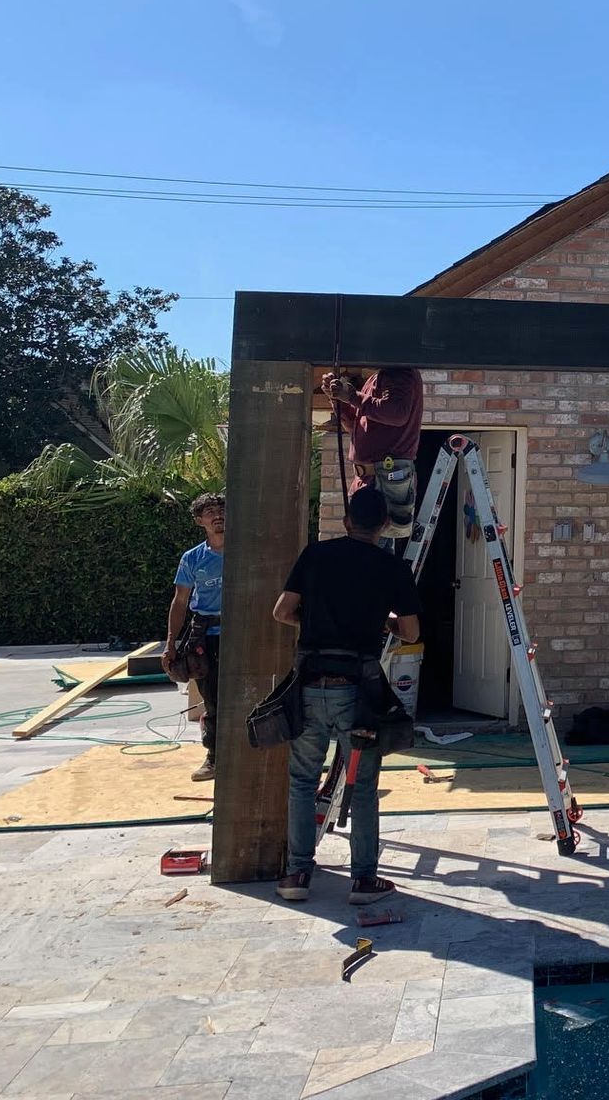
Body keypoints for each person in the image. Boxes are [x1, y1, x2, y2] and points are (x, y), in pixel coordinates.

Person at [271, 486, 421, 904]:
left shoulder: (315, 556)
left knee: (302, 780)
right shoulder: (392, 568)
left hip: (309, 682)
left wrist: (315, 622)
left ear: (346, 521)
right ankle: (364, 880)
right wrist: (384, 623)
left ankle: (297, 875)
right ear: (385, 527)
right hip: (358, 691)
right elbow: (410, 632)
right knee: (365, 786)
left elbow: (282, 612)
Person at [165, 492, 226, 782]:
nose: (217, 516)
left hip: (241, 632)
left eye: (221, 509)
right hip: (206, 636)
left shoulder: (247, 550)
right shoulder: (193, 558)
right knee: (212, 698)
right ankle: (214, 757)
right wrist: (170, 644)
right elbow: (180, 602)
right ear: (200, 521)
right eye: (210, 512)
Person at [323, 367, 423, 540]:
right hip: (371, 478)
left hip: (384, 477)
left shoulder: (399, 372)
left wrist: (352, 397)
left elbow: (397, 413)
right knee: (369, 550)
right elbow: (355, 427)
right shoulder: (377, 378)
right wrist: (337, 398)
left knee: (370, 550)